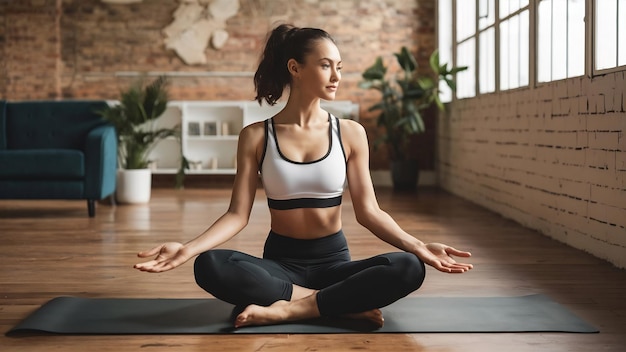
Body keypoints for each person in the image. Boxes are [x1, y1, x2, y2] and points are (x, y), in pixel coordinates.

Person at [134, 24, 473, 328]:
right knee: (209, 265)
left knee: (409, 267)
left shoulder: (351, 133)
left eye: (339, 67)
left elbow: (369, 212)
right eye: (326, 65)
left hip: (335, 264)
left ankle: (288, 309)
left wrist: (418, 246)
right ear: (295, 68)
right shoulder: (255, 136)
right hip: (280, 267)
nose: (336, 76)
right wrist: (188, 249)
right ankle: (334, 304)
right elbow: (237, 215)